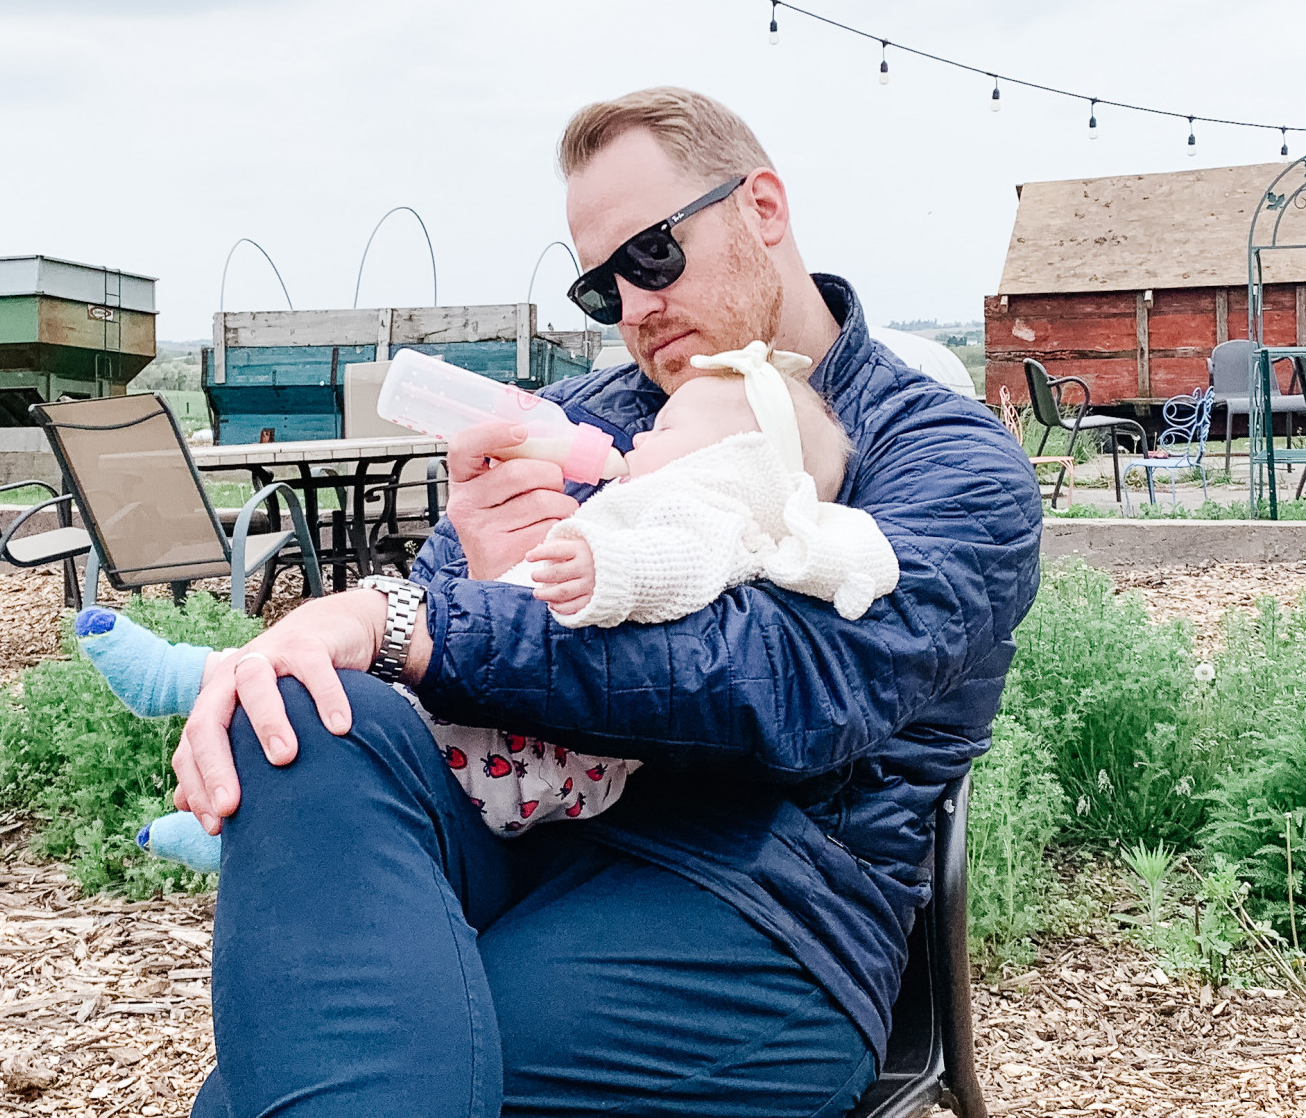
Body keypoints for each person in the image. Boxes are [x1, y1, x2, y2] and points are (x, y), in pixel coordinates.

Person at [172, 87, 1041, 1118]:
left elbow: (784, 684)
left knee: (266, 1095)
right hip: (524, 836)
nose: (632, 309)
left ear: (762, 208)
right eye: (599, 290)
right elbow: (447, 637)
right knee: (311, 714)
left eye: (652, 258)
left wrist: (408, 617)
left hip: (757, 897)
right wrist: (466, 582)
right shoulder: (579, 419)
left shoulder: (944, 458)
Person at [76, 341, 899, 864]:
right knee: (350, 705)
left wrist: (602, 567)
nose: (642, 438)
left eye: (669, 434)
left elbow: (675, 569)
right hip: (520, 726)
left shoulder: (705, 517)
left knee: (360, 720)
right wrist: (496, 561)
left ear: (735, 466)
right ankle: (220, 734)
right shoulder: (649, 497)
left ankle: (209, 718)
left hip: (526, 760)